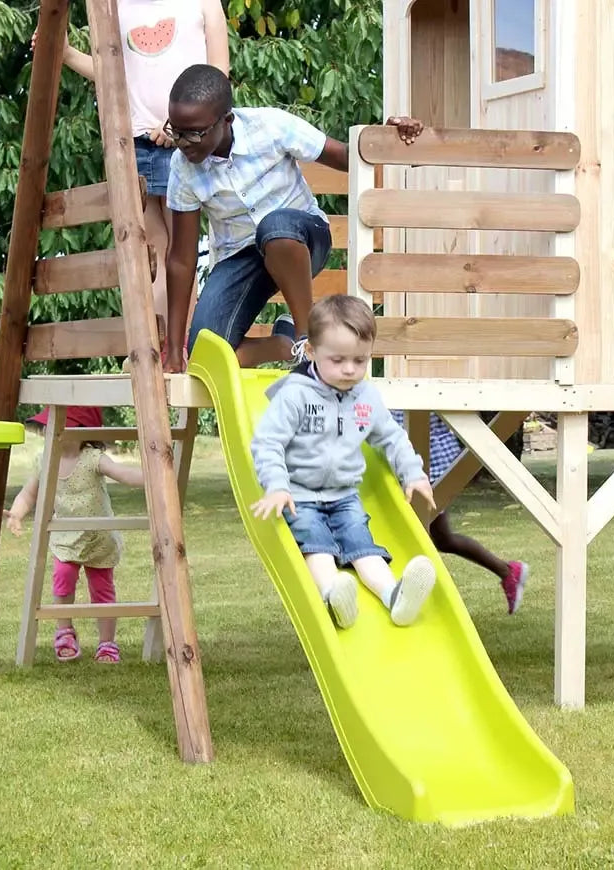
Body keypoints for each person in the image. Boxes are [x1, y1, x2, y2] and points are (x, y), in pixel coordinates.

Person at [160, 64, 423, 374]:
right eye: (174, 130)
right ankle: (287, 345)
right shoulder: (183, 167)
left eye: (194, 133)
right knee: (206, 355)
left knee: (276, 226)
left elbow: (346, 156)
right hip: (242, 259)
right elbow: (181, 258)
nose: (183, 142)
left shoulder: (270, 126)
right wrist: (175, 351)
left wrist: (386, 138)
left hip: (301, 239)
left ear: (226, 120)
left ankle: (307, 337)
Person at [33, 0, 229, 334]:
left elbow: (219, 76)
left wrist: (178, 126)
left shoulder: (204, 3)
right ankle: (155, 345)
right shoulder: (115, 7)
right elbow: (112, 72)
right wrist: (65, 53)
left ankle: (180, 348)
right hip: (135, 142)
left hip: (187, 143)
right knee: (150, 252)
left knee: (181, 253)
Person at [249, 295, 438, 630]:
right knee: (315, 545)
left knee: (363, 546)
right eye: (337, 360)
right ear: (311, 353)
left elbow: (392, 437)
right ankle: (332, 594)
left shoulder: (366, 398)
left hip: (344, 496)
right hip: (300, 495)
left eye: (360, 360)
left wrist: (412, 473)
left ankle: (395, 596)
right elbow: (268, 442)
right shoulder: (295, 395)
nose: (350, 369)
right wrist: (276, 486)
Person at [4, 406, 145, 663]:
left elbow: (123, 474)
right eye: (48, 425)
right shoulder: (46, 459)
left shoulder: (93, 458)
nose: (49, 430)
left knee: (102, 591)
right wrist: (17, 512)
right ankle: (64, 631)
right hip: (65, 537)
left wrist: (150, 476)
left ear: (81, 431)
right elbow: (29, 493)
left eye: (58, 425)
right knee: (62, 578)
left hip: (98, 538)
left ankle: (107, 643)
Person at [390, 411, 529, 615]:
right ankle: (508, 571)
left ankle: (420, 599)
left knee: (421, 534)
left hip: (429, 461)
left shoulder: (413, 386)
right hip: (420, 461)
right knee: (442, 538)